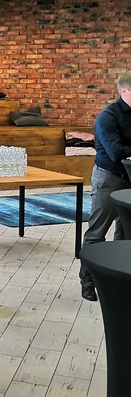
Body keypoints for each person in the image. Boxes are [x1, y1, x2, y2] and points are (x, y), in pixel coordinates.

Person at [79, 71, 131, 300]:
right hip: (109, 178)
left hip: (129, 178)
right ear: (124, 91)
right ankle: (88, 282)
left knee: (125, 232)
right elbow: (116, 152)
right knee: (97, 232)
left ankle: (119, 279)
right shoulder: (108, 116)